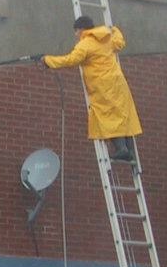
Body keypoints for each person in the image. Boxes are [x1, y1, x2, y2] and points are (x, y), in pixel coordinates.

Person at [39, 15, 142, 162]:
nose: (75, 35)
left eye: (76, 31)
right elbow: (119, 42)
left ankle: (122, 149)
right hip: (118, 82)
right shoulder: (106, 38)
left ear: (81, 29)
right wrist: (114, 29)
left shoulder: (85, 44)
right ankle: (129, 151)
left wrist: (48, 60)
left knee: (108, 116)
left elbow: (70, 60)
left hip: (102, 85)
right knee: (122, 114)